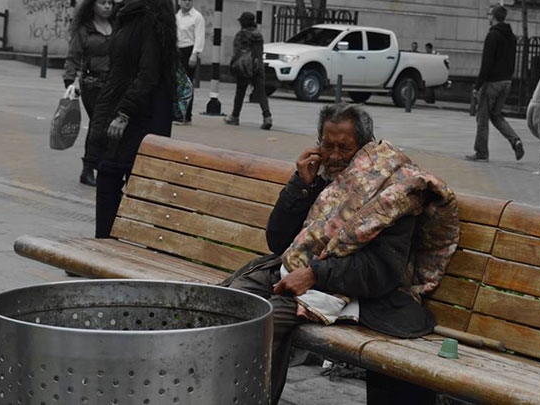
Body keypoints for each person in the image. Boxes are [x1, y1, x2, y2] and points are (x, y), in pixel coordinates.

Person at [227, 103, 460, 405]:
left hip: (361, 297)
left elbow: (381, 271)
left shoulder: (390, 192)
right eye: (328, 145)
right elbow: (278, 240)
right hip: (300, 277)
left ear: (363, 149)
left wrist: (314, 274)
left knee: (265, 321)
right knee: (230, 301)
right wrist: (302, 185)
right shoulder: (325, 182)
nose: (334, 156)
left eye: (344, 148)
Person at [88, 0, 178, 238]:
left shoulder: (150, 18)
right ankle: (105, 246)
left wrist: (124, 113)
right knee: (108, 177)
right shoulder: (128, 15)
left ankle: (118, 248)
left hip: (140, 117)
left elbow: (148, 74)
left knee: (131, 182)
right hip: (121, 106)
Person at [62, 0, 113, 187]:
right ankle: (88, 168)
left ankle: (102, 164)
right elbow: (73, 56)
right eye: (102, 3)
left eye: (110, 3)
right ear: (92, 5)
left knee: (106, 125)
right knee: (98, 123)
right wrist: (69, 81)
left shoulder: (116, 26)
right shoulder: (84, 29)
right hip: (91, 84)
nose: (107, 6)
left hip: (113, 84)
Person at [466, 5, 524, 162]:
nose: (487, 17)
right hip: (506, 82)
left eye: (489, 14)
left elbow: (487, 63)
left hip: (492, 82)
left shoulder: (493, 35)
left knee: (482, 117)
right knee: (496, 116)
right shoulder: (511, 36)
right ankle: (515, 140)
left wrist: (477, 86)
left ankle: (481, 153)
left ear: (493, 16)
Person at [223, 11, 273, 130]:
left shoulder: (241, 35)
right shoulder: (258, 35)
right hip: (258, 66)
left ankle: (235, 116)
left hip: (244, 67)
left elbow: (237, 52)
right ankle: (267, 117)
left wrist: (233, 66)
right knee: (261, 92)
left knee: (240, 91)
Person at [174, 0, 205, 125]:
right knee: (176, 83)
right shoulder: (177, 16)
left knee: (187, 84)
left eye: (190, 0)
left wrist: (195, 53)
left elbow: (199, 37)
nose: (187, 2)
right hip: (177, 51)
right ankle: (177, 114)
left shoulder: (197, 17)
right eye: (184, 0)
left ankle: (186, 116)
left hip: (189, 51)